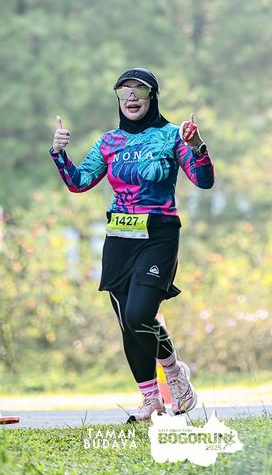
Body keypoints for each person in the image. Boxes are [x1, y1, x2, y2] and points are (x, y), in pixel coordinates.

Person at [49, 67, 214, 422]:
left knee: (140, 314)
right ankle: (151, 400)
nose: (132, 98)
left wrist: (197, 146)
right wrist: (59, 152)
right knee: (128, 322)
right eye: (125, 91)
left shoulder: (172, 136)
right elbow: (79, 182)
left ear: (152, 96)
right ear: (118, 99)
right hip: (119, 239)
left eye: (139, 90)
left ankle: (175, 373)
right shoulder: (109, 142)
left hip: (159, 234)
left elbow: (203, 181)